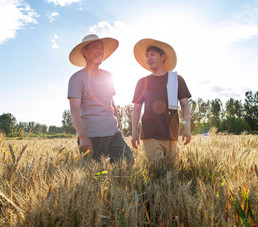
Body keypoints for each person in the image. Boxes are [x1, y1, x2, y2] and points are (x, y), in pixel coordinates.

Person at [67, 34, 134, 163]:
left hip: (113, 132)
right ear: (84, 52)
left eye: (101, 48)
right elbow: (74, 110)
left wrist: (118, 128)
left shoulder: (108, 76)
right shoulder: (77, 78)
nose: (100, 51)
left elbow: (112, 105)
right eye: (95, 47)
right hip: (92, 135)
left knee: (128, 160)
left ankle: (107, 171)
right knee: (94, 171)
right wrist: (82, 136)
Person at [131, 38, 191, 170]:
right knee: (157, 172)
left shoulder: (177, 80)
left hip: (171, 134)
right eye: (147, 55)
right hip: (150, 133)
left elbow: (185, 105)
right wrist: (134, 132)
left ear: (163, 57)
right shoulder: (142, 82)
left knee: (170, 174)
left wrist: (187, 127)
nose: (148, 58)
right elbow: (136, 109)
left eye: (152, 54)